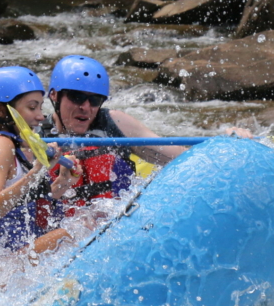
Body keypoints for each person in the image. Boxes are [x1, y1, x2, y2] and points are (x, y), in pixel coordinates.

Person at [43, 55, 250, 206]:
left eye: (95, 100)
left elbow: (185, 160)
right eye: (77, 97)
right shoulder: (36, 136)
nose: (86, 107)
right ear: (54, 95)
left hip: (116, 225)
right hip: (62, 235)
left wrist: (226, 145)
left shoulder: (115, 123)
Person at [0, 65, 81, 253]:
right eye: (32, 107)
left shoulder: (14, 146)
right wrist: (36, 172)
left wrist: (62, 183)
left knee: (80, 223)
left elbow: (20, 208)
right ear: (1, 110)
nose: (41, 117)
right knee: (73, 231)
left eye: (40, 107)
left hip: (8, 255)